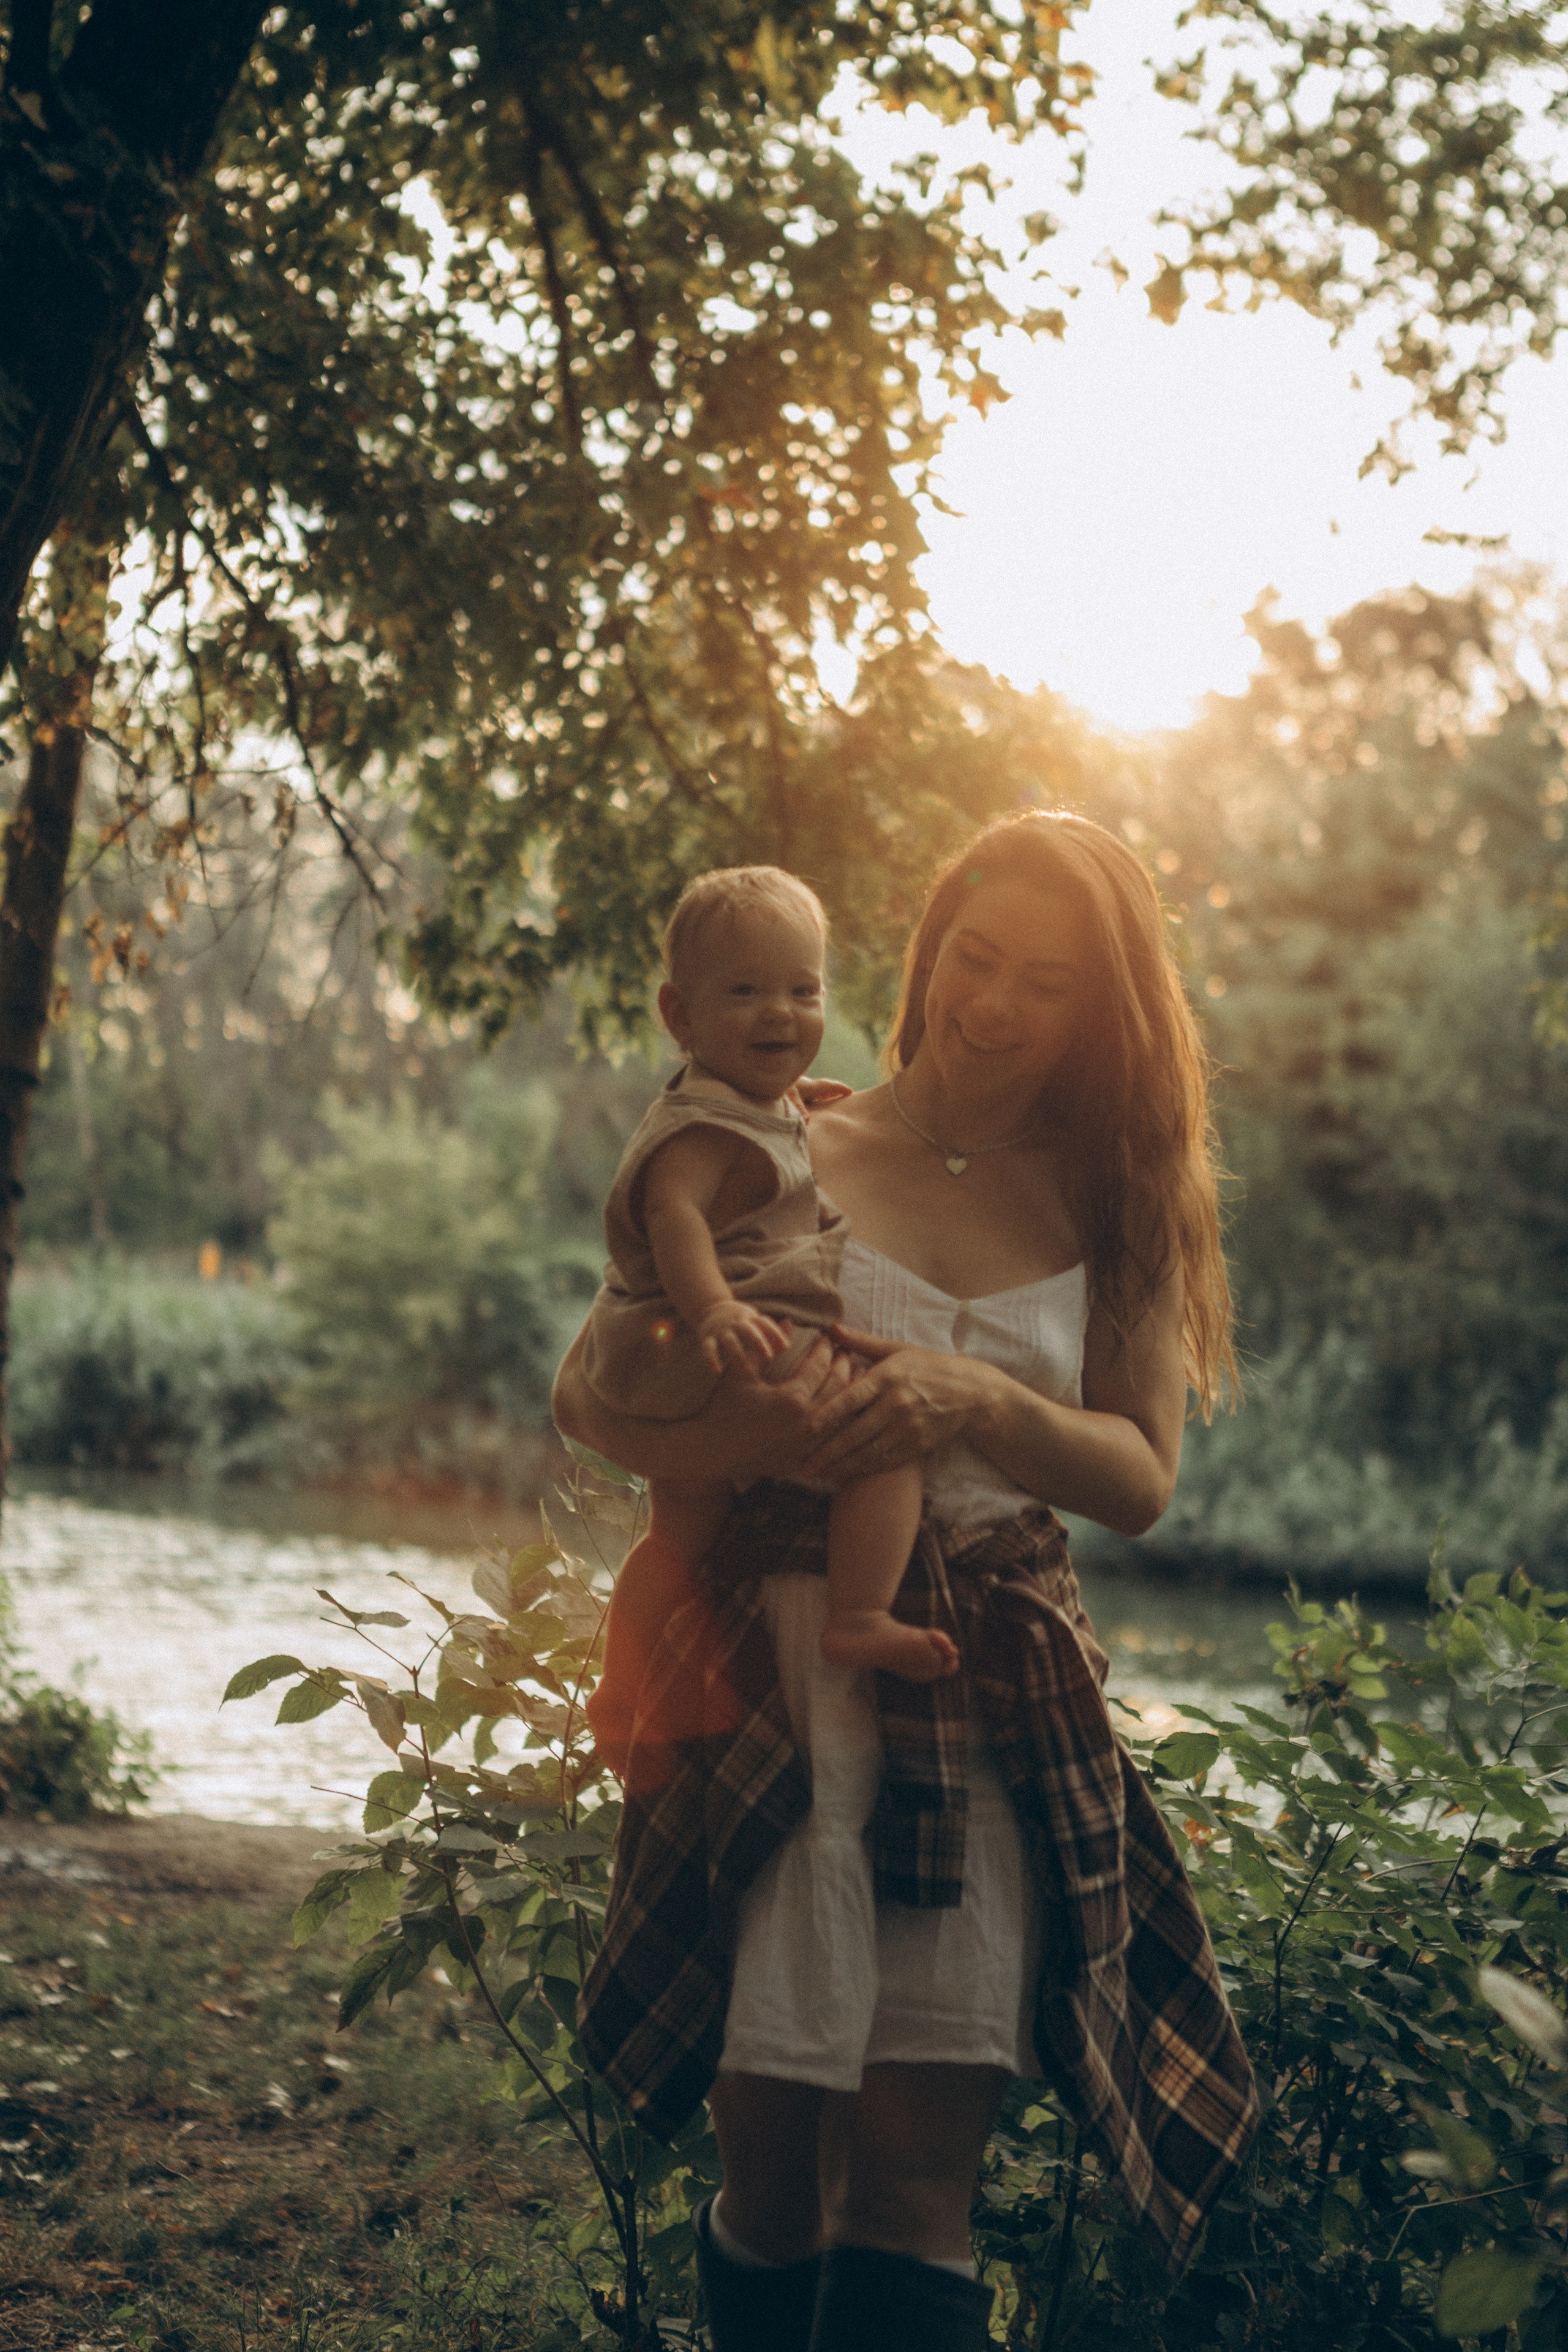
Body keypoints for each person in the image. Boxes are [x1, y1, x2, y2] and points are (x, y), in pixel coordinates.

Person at [552, 811, 1257, 2352]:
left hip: (981, 1685)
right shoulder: (792, 1138)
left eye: (1046, 983)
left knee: (914, 2185)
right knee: (771, 2175)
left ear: (1106, 1010)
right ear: (928, 950)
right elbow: (599, 1391)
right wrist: (755, 1432)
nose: (990, 1003)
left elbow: (1136, 1478)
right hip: (774, 1679)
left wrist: (975, 1402)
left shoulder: (1113, 1197)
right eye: (973, 957)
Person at [579, 865, 957, 1755]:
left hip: (668, 1349)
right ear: (680, 1016)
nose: (779, 1015)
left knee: (677, 1536)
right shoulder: (703, 1133)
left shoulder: (739, 1102)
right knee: (886, 1429)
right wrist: (712, 1311)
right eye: (745, 993)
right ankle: (858, 1615)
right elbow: (675, 1217)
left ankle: (618, 1683)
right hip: (711, 1336)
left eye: (803, 990)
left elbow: (754, 1146)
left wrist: (792, 1101)